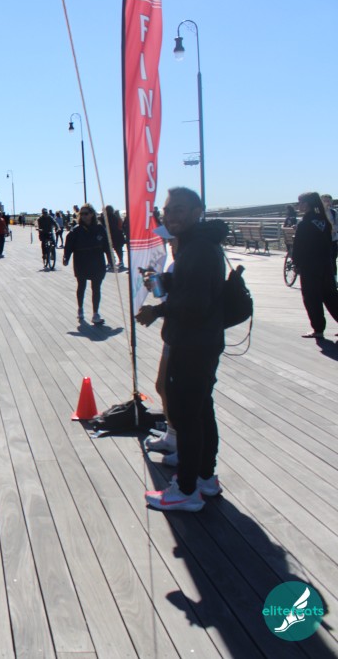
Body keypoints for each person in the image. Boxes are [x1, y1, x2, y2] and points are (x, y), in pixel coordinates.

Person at [136, 187, 228, 513]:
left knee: (187, 417)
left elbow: (195, 303)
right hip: (203, 341)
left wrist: (156, 311)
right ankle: (205, 477)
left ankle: (186, 490)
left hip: (192, 343)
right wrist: (162, 280)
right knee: (201, 411)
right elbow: (191, 286)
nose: (171, 216)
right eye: (167, 210)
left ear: (197, 211)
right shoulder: (199, 244)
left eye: (179, 209)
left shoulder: (198, 248)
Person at [142, 225, 179, 464]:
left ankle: (182, 445)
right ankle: (173, 436)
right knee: (162, 386)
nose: (169, 245)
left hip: (183, 337)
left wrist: (155, 311)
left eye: (171, 240)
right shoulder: (176, 265)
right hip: (173, 333)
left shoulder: (184, 264)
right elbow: (166, 295)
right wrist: (154, 282)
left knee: (173, 390)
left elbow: (182, 302)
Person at [292, 191, 338, 338]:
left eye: (300, 203)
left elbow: (299, 247)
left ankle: (318, 329)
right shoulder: (324, 221)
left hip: (310, 266)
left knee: (312, 298)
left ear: (306, 205)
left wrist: (296, 263)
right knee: (331, 296)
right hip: (326, 264)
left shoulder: (305, 224)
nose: (298, 206)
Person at [62, 204, 113, 324]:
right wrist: (66, 257)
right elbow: (69, 245)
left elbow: (106, 245)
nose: (83, 216)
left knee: (96, 288)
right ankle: (80, 309)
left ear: (92, 214)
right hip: (81, 261)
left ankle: (95, 313)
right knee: (81, 286)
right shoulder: (76, 230)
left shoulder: (100, 229)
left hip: (97, 261)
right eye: (81, 214)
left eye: (86, 213)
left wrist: (111, 259)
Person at [105, 205, 126, 271]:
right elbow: (120, 226)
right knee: (118, 250)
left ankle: (111, 262)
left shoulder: (106, 218)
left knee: (109, 250)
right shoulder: (115, 217)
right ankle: (120, 261)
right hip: (118, 236)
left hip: (111, 236)